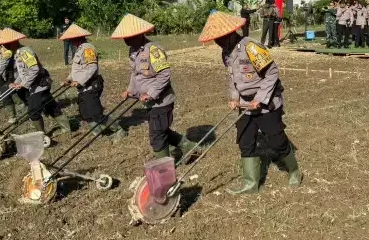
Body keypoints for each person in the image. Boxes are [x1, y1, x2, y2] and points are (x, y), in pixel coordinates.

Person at [197, 12, 301, 194]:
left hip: (266, 101)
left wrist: (259, 99)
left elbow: (272, 74)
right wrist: (235, 98)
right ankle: (251, 183)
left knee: (276, 140)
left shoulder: (251, 47)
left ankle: (294, 171)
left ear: (230, 33)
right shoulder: (226, 53)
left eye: (220, 38)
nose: (217, 42)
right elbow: (234, 79)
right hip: (245, 104)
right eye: (215, 40)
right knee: (245, 141)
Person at [113, 13, 195, 158]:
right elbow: (135, 74)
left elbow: (164, 74)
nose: (126, 40)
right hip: (149, 102)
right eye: (125, 38)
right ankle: (188, 146)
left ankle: (165, 167)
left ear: (139, 35)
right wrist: (130, 90)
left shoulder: (153, 50)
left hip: (161, 101)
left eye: (130, 37)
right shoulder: (133, 51)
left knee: (156, 136)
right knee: (161, 129)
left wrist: (150, 93)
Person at [0, 28, 71, 137]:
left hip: (40, 84)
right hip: (34, 84)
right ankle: (67, 129)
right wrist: (17, 83)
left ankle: (42, 136)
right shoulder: (17, 53)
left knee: (33, 112)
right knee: (50, 105)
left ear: (12, 42)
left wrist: (23, 84)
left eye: (5, 44)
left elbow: (34, 70)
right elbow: (23, 73)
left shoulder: (25, 52)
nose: (4, 47)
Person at [60, 23, 126, 142]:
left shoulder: (87, 48)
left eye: (71, 39)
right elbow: (77, 69)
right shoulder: (78, 49)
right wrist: (68, 79)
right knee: (84, 112)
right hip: (82, 87)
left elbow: (91, 68)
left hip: (91, 85)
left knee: (96, 113)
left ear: (77, 38)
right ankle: (97, 133)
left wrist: (79, 81)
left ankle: (119, 130)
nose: (70, 42)